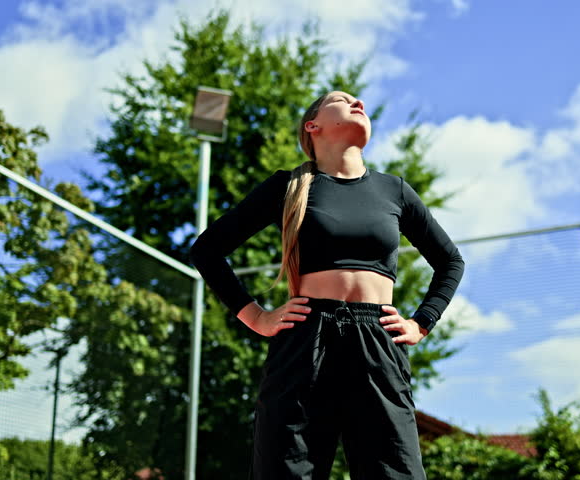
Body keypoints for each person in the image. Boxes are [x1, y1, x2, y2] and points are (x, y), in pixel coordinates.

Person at [189, 90, 465, 480]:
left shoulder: (394, 190)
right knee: (286, 470)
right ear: (312, 125)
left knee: (395, 472)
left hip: (378, 341)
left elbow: (450, 261)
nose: (359, 104)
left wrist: (421, 323)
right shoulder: (288, 187)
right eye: (342, 99)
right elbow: (208, 250)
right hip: (305, 340)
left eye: (360, 102)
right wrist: (256, 317)